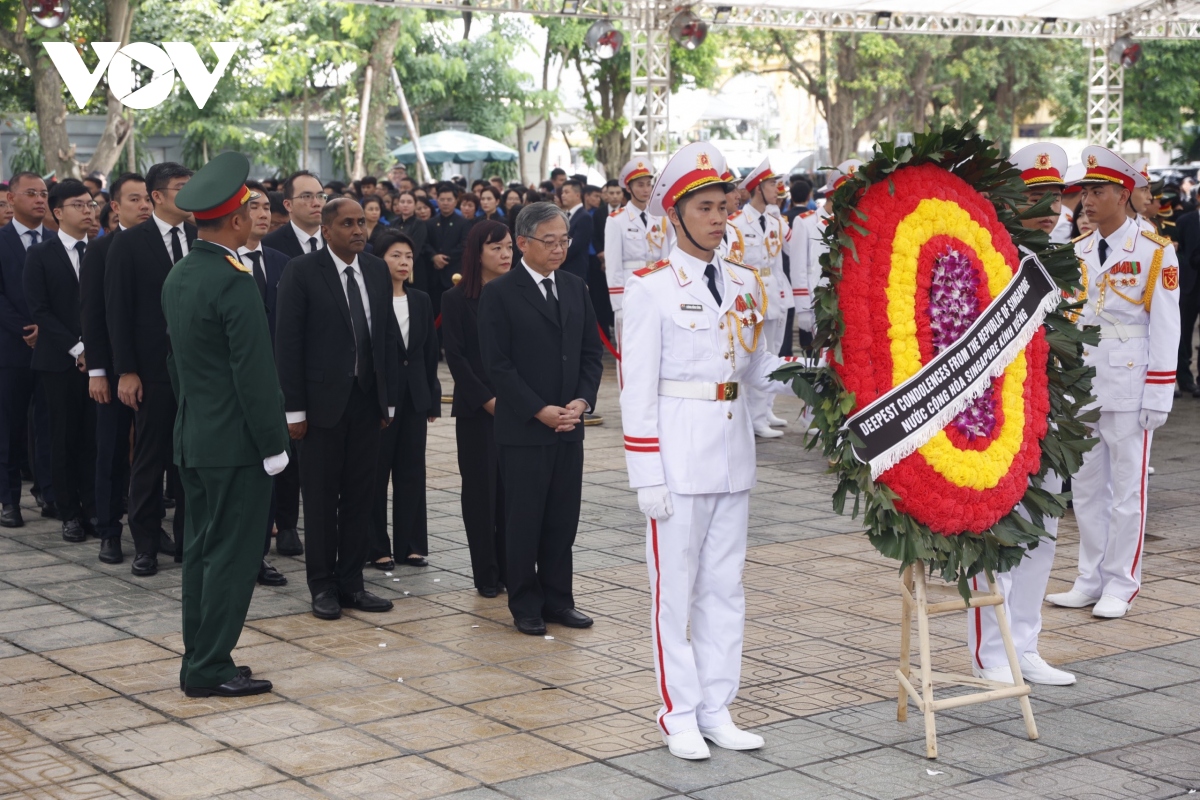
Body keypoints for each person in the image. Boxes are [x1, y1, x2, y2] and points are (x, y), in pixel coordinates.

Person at [620, 141, 802, 760]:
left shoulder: (747, 283)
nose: (719, 218)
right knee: (674, 592)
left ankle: (718, 706)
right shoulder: (651, 288)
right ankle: (679, 712)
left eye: (724, 206)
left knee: (726, 588)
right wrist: (646, 473)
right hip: (676, 455)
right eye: (704, 208)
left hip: (731, 455)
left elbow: (755, 371)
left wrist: (815, 373)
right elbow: (635, 389)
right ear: (675, 215)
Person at [162, 152, 288, 698]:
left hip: (195, 437)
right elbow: (254, 374)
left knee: (201, 556)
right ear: (235, 221)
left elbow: (177, 364)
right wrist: (274, 442)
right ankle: (209, 667)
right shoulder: (235, 281)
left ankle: (202, 658)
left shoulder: (181, 274)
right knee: (233, 560)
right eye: (249, 212)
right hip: (237, 444)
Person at [1046, 146, 1181, 619]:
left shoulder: (1154, 252)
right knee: (1085, 488)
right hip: (1082, 383)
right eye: (1084, 191)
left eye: (1097, 191)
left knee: (1127, 491)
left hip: (1130, 381)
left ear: (1123, 196)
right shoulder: (1076, 251)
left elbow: (1167, 325)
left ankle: (1121, 584)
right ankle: (1090, 577)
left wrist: (1160, 392)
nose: (1087, 199)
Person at [965, 143, 1076, 686]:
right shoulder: (990, 255)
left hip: (1053, 412)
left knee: (1044, 529)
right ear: (1011, 201)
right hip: (999, 413)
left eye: (1055, 197)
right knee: (1000, 531)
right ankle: (991, 652)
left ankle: (1025, 642)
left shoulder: (1065, 256)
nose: (1051, 208)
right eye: (1038, 197)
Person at [478, 202, 603, 635]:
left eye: (564, 240)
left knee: (561, 519)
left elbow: (591, 355)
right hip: (525, 429)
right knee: (524, 520)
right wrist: (538, 409)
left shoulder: (574, 287)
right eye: (549, 241)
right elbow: (498, 365)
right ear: (523, 243)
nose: (558, 249)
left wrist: (582, 402)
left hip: (570, 425)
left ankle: (559, 600)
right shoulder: (499, 293)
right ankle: (525, 603)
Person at [275, 198, 400, 621]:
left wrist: (389, 400)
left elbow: (385, 339)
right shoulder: (302, 271)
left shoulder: (377, 270)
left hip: (367, 404)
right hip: (320, 408)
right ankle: (322, 586)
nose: (358, 230)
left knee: (362, 498)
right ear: (326, 230)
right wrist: (294, 411)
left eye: (362, 222)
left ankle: (352, 583)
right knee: (323, 499)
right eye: (347, 224)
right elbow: (288, 345)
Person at [105, 162, 196, 576]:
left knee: (191, 462)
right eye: (181, 188)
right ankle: (144, 543)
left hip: (196, 372)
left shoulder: (200, 236)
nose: (191, 194)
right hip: (151, 372)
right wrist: (125, 370)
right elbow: (117, 313)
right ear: (157, 196)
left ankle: (187, 541)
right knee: (149, 460)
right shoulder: (128, 243)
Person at [23, 180, 98, 544]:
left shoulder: (101, 250)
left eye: (91, 204)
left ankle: (94, 508)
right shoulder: (40, 254)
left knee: (93, 438)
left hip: (99, 363)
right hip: (57, 362)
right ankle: (68, 512)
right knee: (62, 437)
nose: (88, 210)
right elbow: (40, 310)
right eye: (79, 205)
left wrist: (94, 349)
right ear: (58, 212)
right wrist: (77, 348)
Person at [81, 173, 151, 562]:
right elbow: (93, 315)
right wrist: (98, 373)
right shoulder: (103, 249)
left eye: (147, 199)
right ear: (115, 206)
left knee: (151, 455)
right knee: (110, 451)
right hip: (112, 371)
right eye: (135, 199)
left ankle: (150, 525)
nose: (144, 206)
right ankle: (109, 529)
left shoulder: (164, 243)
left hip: (154, 369)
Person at [443, 221, 511, 597]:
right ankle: (486, 573)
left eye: (509, 248)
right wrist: (488, 401)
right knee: (481, 492)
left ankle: (511, 566)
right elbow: (456, 358)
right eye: (496, 248)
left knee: (512, 493)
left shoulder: (517, 293)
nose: (505, 255)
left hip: (518, 408)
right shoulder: (455, 299)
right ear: (477, 253)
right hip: (476, 411)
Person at [367, 231, 439, 571]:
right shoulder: (369, 299)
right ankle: (376, 545)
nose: (403, 262)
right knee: (376, 474)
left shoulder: (421, 299)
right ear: (379, 259)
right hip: (381, 400)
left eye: (408, 256)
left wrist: (432, 399)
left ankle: (411, 544)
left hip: (414, 399)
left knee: (412, 472)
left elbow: (427, 353)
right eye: (396, 255)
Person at [237, 180, 295, 583]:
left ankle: (258, 554)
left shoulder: (280, 261)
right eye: (252, 206)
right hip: (236, 387)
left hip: (278, 384)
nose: (262, 213)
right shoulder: (218, 262)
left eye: (265, 207)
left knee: (272, 471)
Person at [0, 172, 54, 529]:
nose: (39, 199)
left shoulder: (55, 240)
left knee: (50, 426)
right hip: (12, 349)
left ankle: (50, 493)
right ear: (11, 199)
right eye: (31, 193)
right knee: (10, 427)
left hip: (53, 348)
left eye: (44, 193)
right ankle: (9, 500)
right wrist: (26, 329)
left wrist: (48, 331)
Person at [728, 158, 794, 439]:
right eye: (770, 185)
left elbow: (779, 259)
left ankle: (765, 409)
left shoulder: (775, 220)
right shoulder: (738, 223)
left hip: (776, 291)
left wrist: (786, 293)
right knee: (756, 356)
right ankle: (754, 417)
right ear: (757, 188)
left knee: (775, 353)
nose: (777, 189)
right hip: (753, 295)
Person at [604, 160, 672, 351]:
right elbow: (613, 265)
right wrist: (618, 305)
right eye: (640, 185)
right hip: (629, 289)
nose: (646, 189)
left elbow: (666, 259)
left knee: (655, 347)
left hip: (656, 289)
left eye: (648, 184)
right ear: (629, 188)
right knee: (629, 350)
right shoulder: (616, 220)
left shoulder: (660, 219)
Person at [261, 171, 326, 260]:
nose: (317, 203)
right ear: (288, 205)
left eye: (320, 196)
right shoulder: (269, 244)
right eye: (307, 196)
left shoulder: (338, 239)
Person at [427, 183, 467, 320]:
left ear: (456, 201)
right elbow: (425, 244)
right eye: (442, 199)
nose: (445, 203)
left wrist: (443, 259)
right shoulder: (430, 223)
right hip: (434, 277)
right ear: (437, 200)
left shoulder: (463, 223)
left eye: (449, 199)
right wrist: (434, 257)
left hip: (454, 275)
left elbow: (464, 245)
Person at [1175, 203, 1200, 396]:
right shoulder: (1184, 221)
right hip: (1188, 286)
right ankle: (1184, 379)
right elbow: (1177, 251)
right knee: (1183, 334)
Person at [558, 180, 590, 282]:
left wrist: (557, 257)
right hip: (564, 268)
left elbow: (576, 245)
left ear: (577, 195)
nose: (563, 195)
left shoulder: (584, 217)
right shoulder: (565, 215)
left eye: (566, 192)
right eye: (562, 192)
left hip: (575, 269)